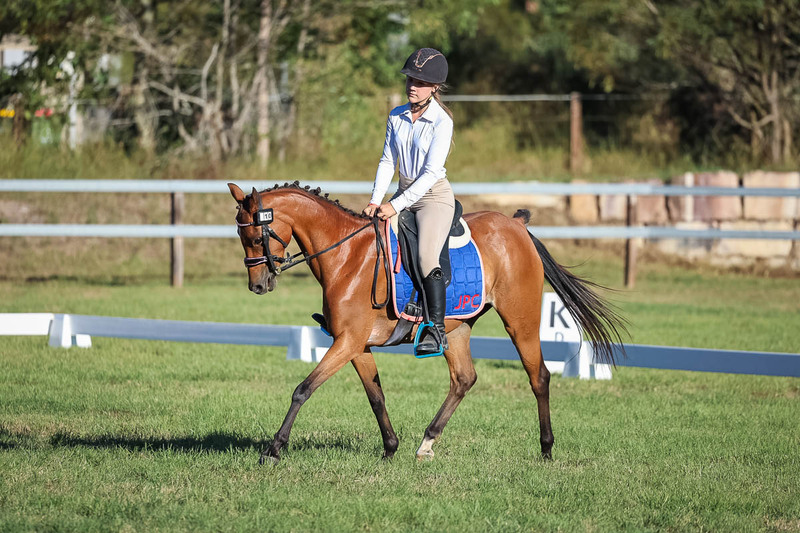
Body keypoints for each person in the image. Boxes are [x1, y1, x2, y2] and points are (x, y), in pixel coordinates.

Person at [363, 47, 455, 356]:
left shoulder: (442, 122)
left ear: (434, 88)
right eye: (410, 79)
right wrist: (376, 201)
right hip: (402, 193)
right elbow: (388, 161)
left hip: (433, 198)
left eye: (420, 81)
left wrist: (395, 205)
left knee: (427, 256)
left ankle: (436, 329)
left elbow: (430, 174)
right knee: (368, 239)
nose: (412, 85)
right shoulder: (396, 115)